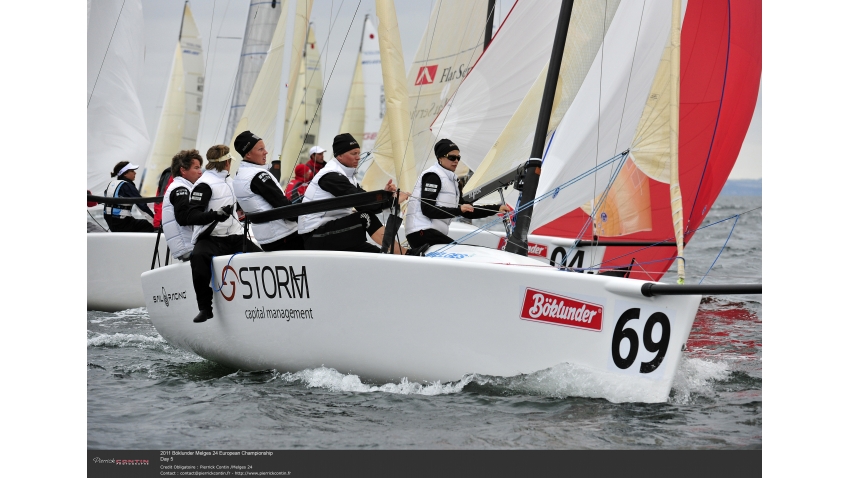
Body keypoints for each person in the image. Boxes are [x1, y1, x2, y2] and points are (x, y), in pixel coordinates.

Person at [298, 133, 409, 254]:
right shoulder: (330, 176)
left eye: (358, 153)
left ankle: (399, 256)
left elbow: (365, 200)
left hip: (333, 231)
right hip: (316, 236)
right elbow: (364, 204)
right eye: (353, 154)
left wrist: (386, 194)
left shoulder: (347, 176)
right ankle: (405, 253)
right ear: (339, 155)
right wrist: (391, 201)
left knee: (378, 256)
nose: (358, 157)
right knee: (365, 216)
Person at [188, 145, 262, 324]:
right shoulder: (204, 185)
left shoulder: (230, 181)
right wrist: (215, 215)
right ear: (227, 162)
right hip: (211, 237)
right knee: (198, 258)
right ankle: (205, 308)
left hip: (233, 235)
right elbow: (191, 215)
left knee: (260, 256)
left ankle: (261, 303)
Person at [405, 138, 511, 249]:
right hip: (421, 232)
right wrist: (458, 210)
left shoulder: (452, 181)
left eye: (458, 158)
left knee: (467, 251)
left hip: (431, 233)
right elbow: (427, 209)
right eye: (452, 157)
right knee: (467, 252)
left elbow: (467, 211)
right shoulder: (433, 176)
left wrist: (496, 208)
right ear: (440, 158)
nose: (456, 161)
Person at [232, 130, 304, 252]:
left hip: (267, 239)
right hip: (285, 237)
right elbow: (283, 207)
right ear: (248, 154)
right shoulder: (257, 176)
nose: (266, 152)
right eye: (260, 149)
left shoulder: (239, 175)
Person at [160, 149, 205, 262]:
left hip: (187, 246)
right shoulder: (180, 189)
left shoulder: (182, 187)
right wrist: (212, 216)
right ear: (183, 170)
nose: (200, 172)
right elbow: (184, 218)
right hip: (188, 248)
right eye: (196, 168)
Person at [103, 161, 156, 232]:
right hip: (122, 222)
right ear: (125, 174)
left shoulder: (111, 184)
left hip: (110, 221)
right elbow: (141, 205)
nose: (135, 173)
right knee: (148, 226)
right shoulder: (127, 185)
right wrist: (155, 223)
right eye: (132, 171)